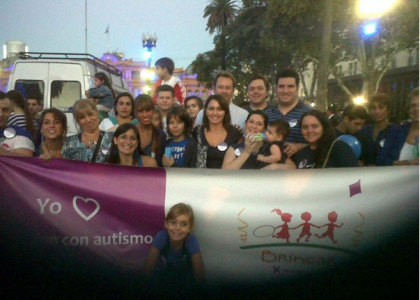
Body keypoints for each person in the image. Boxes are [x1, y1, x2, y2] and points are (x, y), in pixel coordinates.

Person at [144, 203, 205, 285]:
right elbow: (148, 268)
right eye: (173, 223)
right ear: (166, 224)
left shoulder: (191, 241)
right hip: (163, 282)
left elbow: (200, 275)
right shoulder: (161, 237)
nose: (177, 228)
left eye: (184, 224)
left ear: (190, 227)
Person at [185, 95, 243, 168]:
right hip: (201, 178)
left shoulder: (235, 134)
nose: (215, 113)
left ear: (225, 112)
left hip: (227, 178)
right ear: (205, 111)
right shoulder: (197, 132)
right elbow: (190, 161)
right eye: (211, 109)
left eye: (219, 109)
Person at [265, 69, 312, 157]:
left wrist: (299, 146)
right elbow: (259, 139)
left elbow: (321, 143)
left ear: (297, 88)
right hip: (269, 167)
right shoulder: (266, 115)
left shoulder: (310, 113)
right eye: (281, 86)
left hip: (302, 168)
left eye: (290, 86)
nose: (285, 91)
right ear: (276, 88)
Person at [293, 110, 359, 169]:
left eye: (315, 126)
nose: (309, 130)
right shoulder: (301, 154)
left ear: (324, 127)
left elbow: (354, 177)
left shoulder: (340, 148)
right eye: (305, 127)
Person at [377, 88, 419, 166]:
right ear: (408, 109)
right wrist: (397, 163)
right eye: (413, 105)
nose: (416, 109)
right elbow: (380, 159)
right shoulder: (396, 131)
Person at [359, 94, 396, 165]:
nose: (377, 111)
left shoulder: (395, 130)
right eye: (373, 108)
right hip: (364, 172)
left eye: (381, 108)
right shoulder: (365, 130)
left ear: (388, 110)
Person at [134, 94, 167, 167]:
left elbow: (160, 164)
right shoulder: (129, 132)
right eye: (141, 111)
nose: (145, 115)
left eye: (148, 110)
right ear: (135, 112)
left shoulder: (160, 135)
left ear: (153, 111)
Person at [0, 91, 34, 157]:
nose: (1, 114)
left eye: (5, 110)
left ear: (11, 112)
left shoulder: (20, 135)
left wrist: (3, 152)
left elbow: (25, 163)